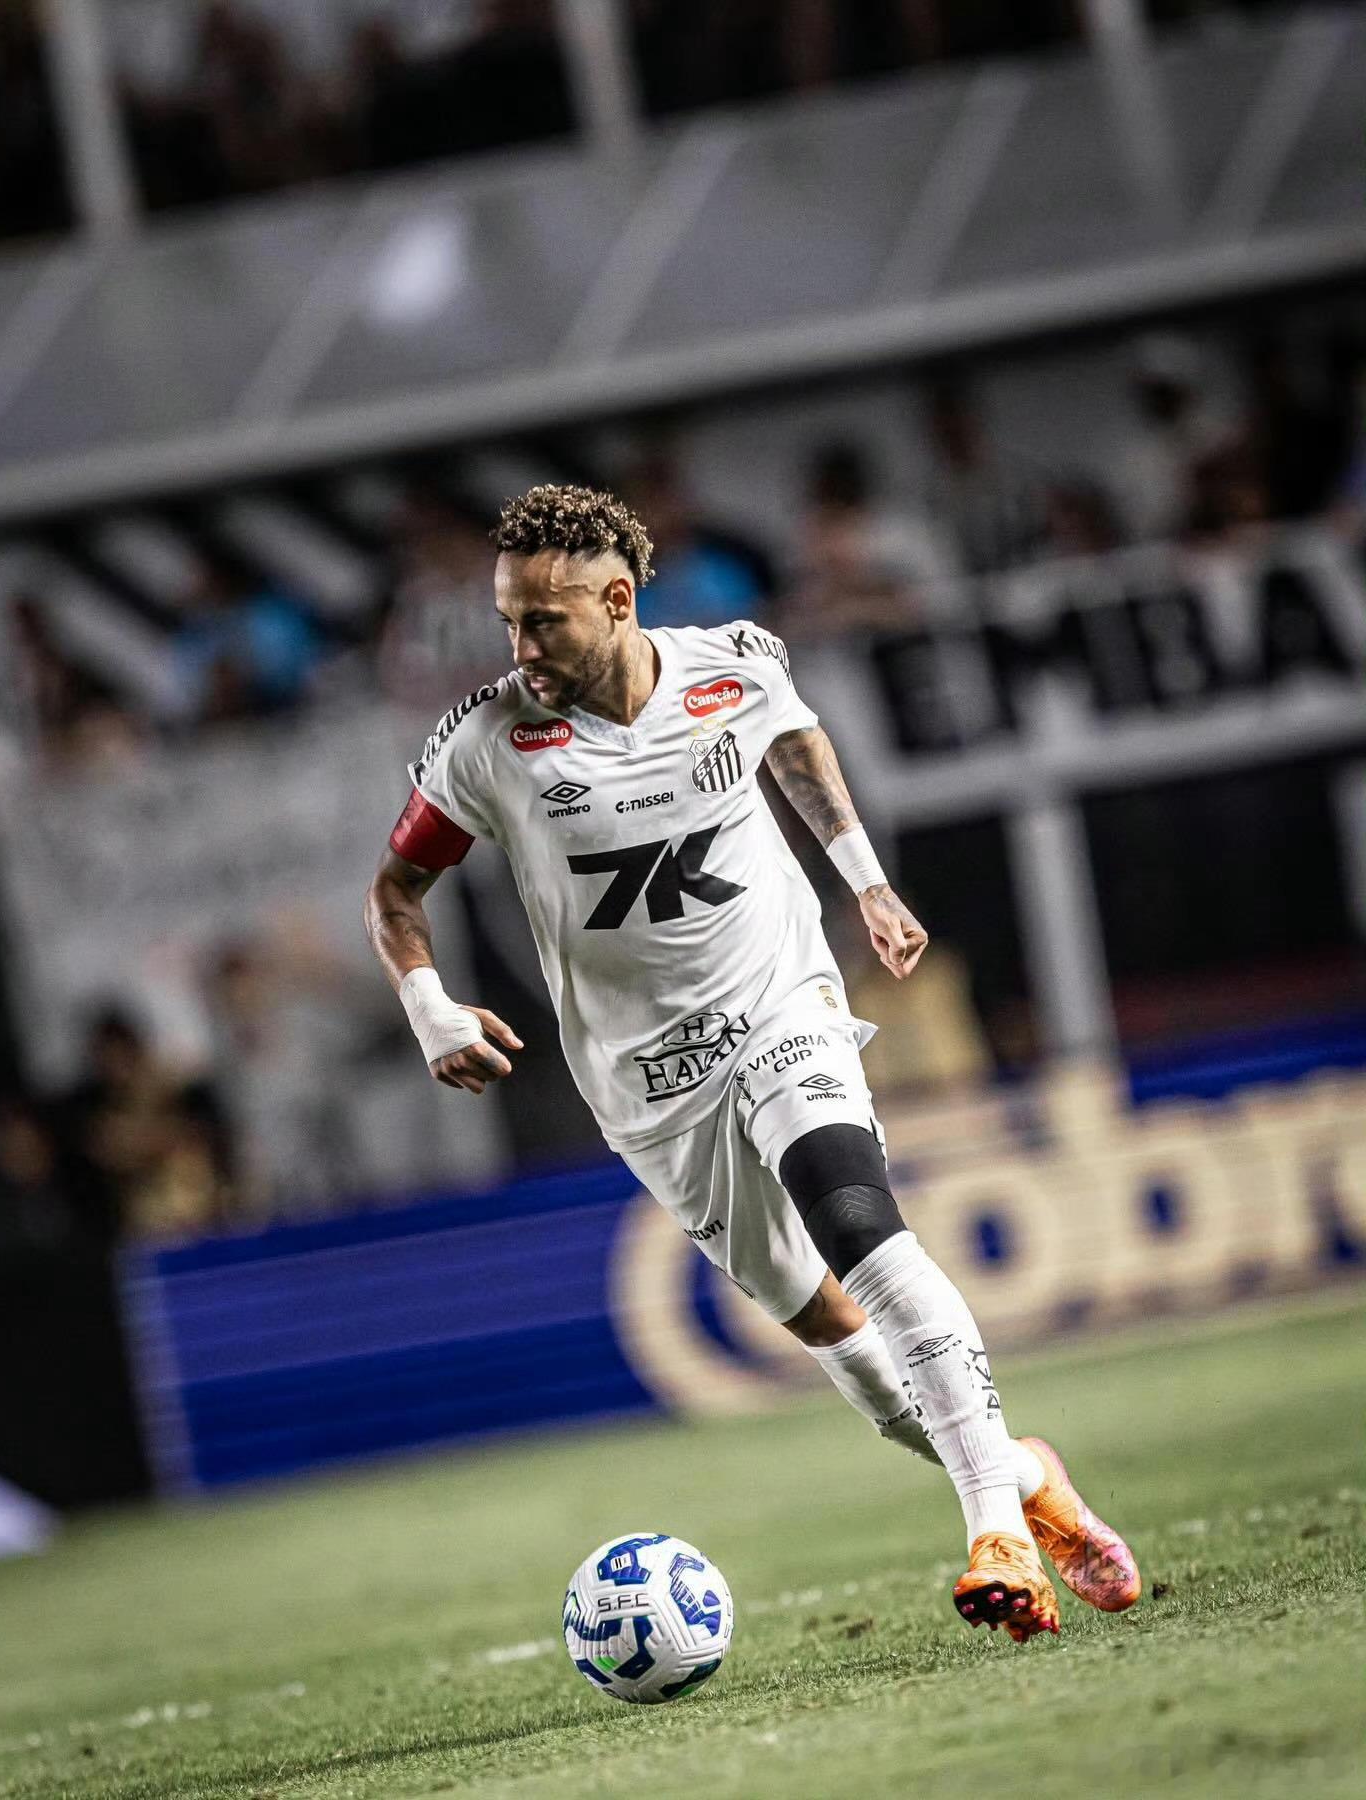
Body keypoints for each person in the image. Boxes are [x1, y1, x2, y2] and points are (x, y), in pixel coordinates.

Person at [364, 483, 1139, 1642]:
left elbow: (797, 742)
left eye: (545, 622)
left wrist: (865, 882)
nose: (521, 649)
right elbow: (394, 894)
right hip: (647, 1084)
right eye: (509, 623)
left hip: (780, 1005)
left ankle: (997, 1535)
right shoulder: (486, 743)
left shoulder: (730, 665)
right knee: (845, 1346)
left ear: (618, 601)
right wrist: (429, 1006)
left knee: (859, 1222)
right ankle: (1027, 1476)